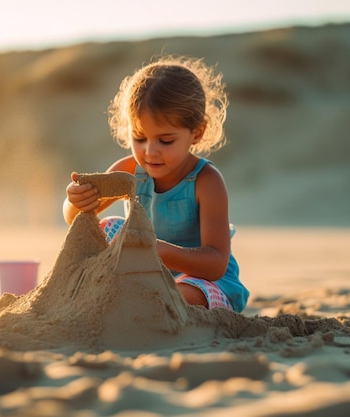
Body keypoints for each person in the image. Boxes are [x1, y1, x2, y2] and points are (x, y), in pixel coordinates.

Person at [63, 55, 249, 312]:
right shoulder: (129, 170)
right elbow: (77, 218)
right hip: (146, 275)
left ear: (197, 132)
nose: (150, 152)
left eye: (166, 141)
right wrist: (75, 200)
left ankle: (143, 301)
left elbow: (216, 262)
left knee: (180, 294)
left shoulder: (207, 181)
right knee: (109, 227)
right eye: (139, 138)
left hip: (203, 282)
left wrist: (155, 250)